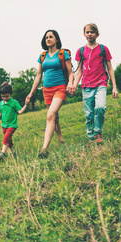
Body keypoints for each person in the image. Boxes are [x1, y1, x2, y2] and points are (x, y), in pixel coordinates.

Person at [26, 30, 76, 158]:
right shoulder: (42, 56)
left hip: (60, 88)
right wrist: (31, 93)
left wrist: (70, 83)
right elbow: (38, 75)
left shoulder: (63, 54)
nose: (48, 39)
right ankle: (60, 139)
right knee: (54, 116)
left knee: (50, 115)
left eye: (51, 37)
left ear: (56, 39)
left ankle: (44, 148)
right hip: (46, 89)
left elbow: (70, 72)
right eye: (46, 37)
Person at [74, 23, 118, 143]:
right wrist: (73, 85)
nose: (89, 34)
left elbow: (109, 68)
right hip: (87, 86)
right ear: (84, 34)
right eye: (87, 32)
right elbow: (79, 71)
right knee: (89, 114)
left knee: (100, 108)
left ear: (97, 34)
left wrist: (114, 87)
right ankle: (91, 137)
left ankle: (98, 132)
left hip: (101, 83)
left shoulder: (103, 49)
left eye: (92, 32)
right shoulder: (80, 51)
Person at [0, 82, 28, 161]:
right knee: (9, 140)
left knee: (6, 138)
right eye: (3, 96)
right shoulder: (1, 103)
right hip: (4, 125)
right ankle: (12, 153)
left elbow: (20, 111)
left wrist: (26, 105)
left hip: (12, 125)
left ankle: (3, 153)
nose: (5, 98)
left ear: (10, 94)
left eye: (7, 96)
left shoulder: (14, 102)